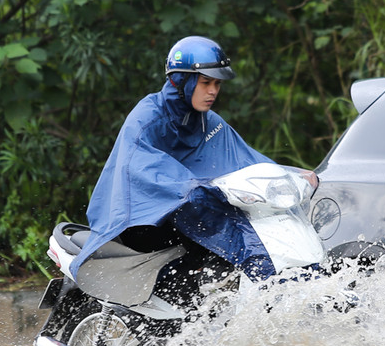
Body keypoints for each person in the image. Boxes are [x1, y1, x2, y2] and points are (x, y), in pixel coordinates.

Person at [71, 35, 303, 285]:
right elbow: (152, 175)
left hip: (190, 216)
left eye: (217, 83)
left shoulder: (207, 121)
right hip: (141, 223)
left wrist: (293, 176)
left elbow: (247, 161)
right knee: (223, 223)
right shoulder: (146, 119)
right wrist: (198, 190)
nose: (213, 91)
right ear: (181, 80)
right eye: (206, 83)